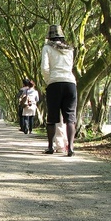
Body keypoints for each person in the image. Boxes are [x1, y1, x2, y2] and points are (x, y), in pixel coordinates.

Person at [41, 24, 77, 156]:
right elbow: (70, 66)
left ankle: (50, 147)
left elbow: (44, 68)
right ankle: (71, 147)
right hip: (70, 83)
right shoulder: (70, 49)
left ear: (49, 37)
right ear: (62, 37)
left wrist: (49, 80)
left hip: (54, 83)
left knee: (52, 117)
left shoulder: (47, 48)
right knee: (70, 117)